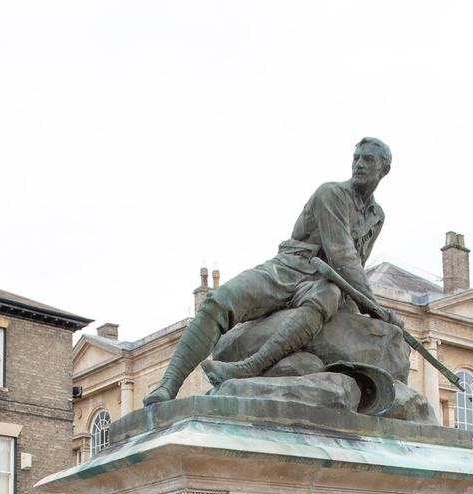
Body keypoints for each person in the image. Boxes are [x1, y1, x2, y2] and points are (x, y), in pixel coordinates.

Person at [145, 137, 401, 403]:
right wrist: (375, 308)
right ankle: (167, 385)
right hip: (290, 267)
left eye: (367, 160)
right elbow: (343, 256)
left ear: (384, 170)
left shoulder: (376, 216)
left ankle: (251, 366)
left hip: (322, 282)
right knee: (219, 300)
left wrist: (371, 310)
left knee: (330, 294)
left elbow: (353, 265)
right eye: (356, 158)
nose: (359, 164)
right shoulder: (332, 194)